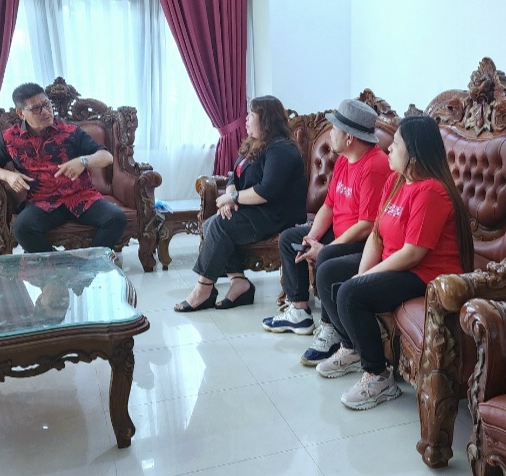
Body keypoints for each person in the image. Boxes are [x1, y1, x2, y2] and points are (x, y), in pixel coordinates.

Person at [313, 115, 474, 410]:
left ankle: (378, 377)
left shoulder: (432, 191)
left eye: (396, 144)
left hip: (427, 276)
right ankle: (353, 347)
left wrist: (364, 279)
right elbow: (376, 236)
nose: (388, 148)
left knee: (350, 294)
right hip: (399, 263)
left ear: (413, 153)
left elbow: (413, 253)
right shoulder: (395, 181)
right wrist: (363, 272)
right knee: (328, 273)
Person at [261, 99, 392, 359]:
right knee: (290, 238)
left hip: (362, 240)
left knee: (326, 257)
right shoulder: (344, 160)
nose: (330, 134)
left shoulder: (374, 166)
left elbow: (366, 225)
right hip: (339, 231)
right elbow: (329, 206)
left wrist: (326, 248)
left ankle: (331, 328)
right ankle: (299, 310)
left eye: (335, 129)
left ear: (349, 137)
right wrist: (311, 238)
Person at [175, 95, 306, 312]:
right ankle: (239, 282)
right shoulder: (255, 144)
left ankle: (203, 288)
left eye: (251, 115)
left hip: (275, 215)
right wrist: (229, 199)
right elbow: (233, 178)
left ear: (266, 120)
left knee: (219, 226)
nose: (246, 119)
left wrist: (233, 198)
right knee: (211, 224)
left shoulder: (281, 149)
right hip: (254, 211)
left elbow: (266, 191)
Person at [0, 83, 127, 253]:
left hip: (80, 196)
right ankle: (57, 265)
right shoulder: (9, 138)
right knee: (22, 228)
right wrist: (8, 176)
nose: (46, 111)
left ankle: (90, 264)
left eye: (47, 104)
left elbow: (107, 157)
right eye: (36, 109)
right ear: (21, 113)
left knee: (116, 218)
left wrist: (83, 161)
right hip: (42, 201)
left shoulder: (70, 131)